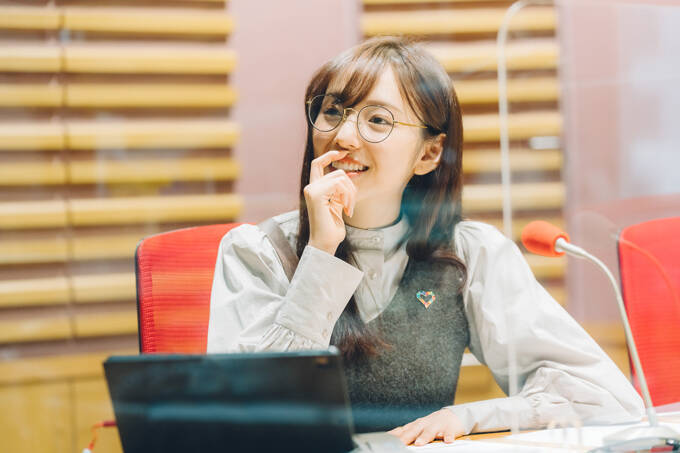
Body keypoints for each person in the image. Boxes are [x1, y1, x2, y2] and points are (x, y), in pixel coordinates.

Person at [206, 36, 643, 445]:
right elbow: (245, 426)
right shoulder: (257, 252)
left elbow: (605, 396)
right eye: (333, 111)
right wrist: (321, 252)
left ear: (429, 153)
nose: (343, 137)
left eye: (377, 120)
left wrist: (468, 417)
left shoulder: (469, 252)